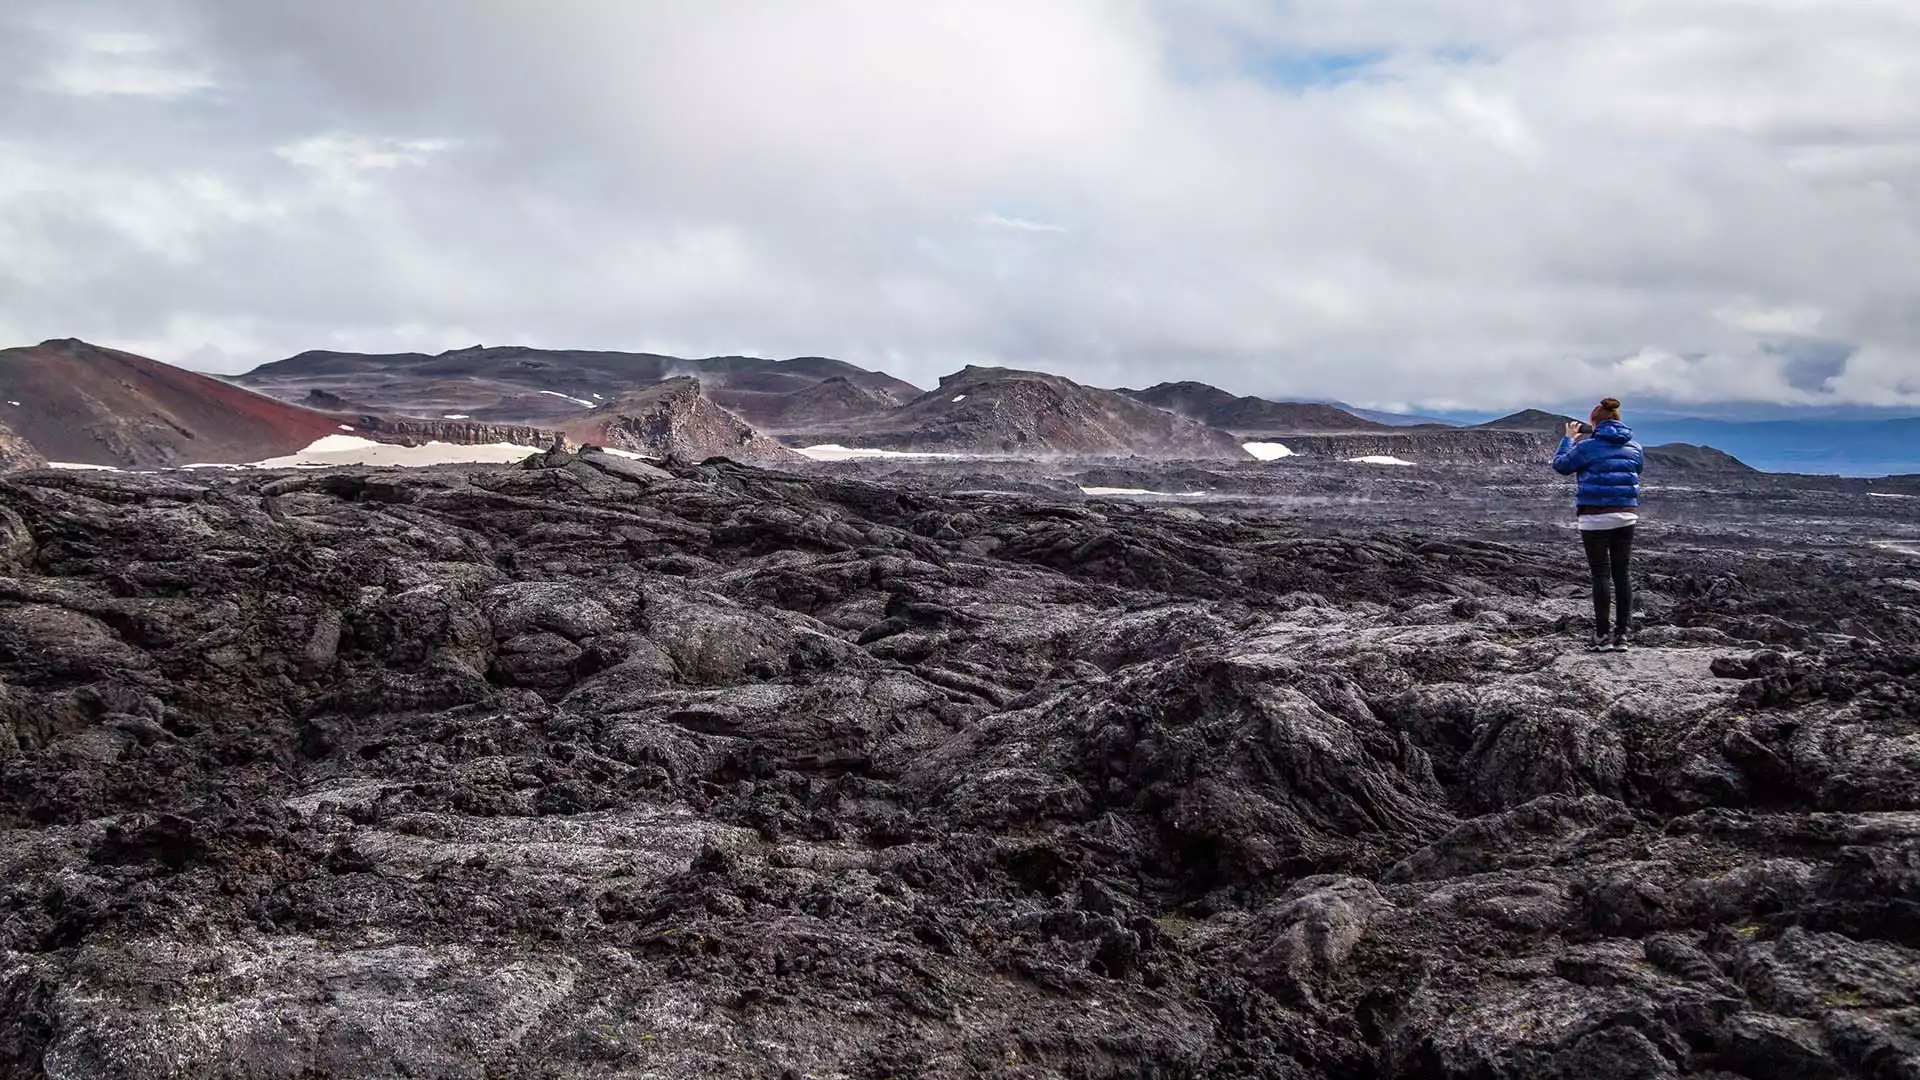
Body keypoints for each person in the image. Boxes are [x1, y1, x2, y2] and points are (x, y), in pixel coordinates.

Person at [1551, 397, 1644, 652]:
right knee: (1622, 574)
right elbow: (1637, 470)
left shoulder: (1587, 447)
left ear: (1593, 423)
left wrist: (1569, 438)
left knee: (1600, 574)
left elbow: (1561, 466)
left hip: (1594, 517)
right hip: (1626, 515)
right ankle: (1622, 636)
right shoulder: (1635, 447)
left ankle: (1602, 637)